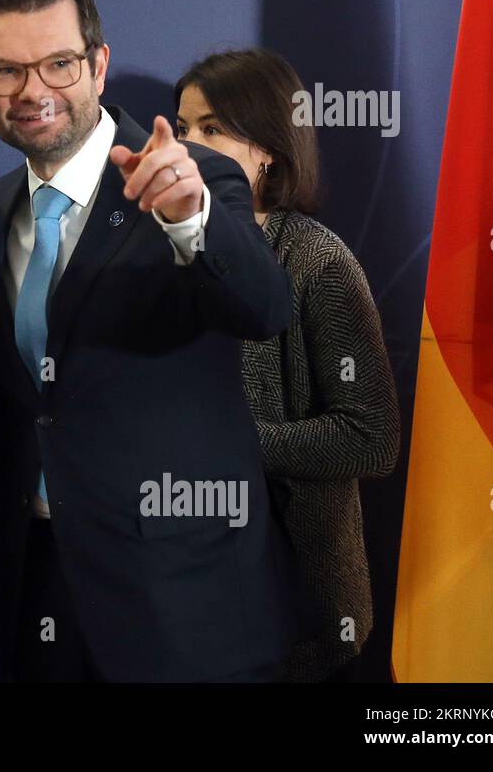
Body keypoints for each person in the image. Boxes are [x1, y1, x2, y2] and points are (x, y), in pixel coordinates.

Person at [0, 0, 301, 682]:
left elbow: (263, 308)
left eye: (58, 64)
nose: (34, 91)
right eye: (7, 71)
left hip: (188, 605)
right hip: (41, 595)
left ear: (98, 64)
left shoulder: (197, 178)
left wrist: (189, 220)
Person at [174, 47, 400, 682]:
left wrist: (229, 446)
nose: (189, 144)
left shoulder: (319, 263)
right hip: (179, 592)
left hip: (296, 599)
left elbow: (371, 439)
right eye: (184, 127)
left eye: (213, 128)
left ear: (267, 150)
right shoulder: (152, 251)